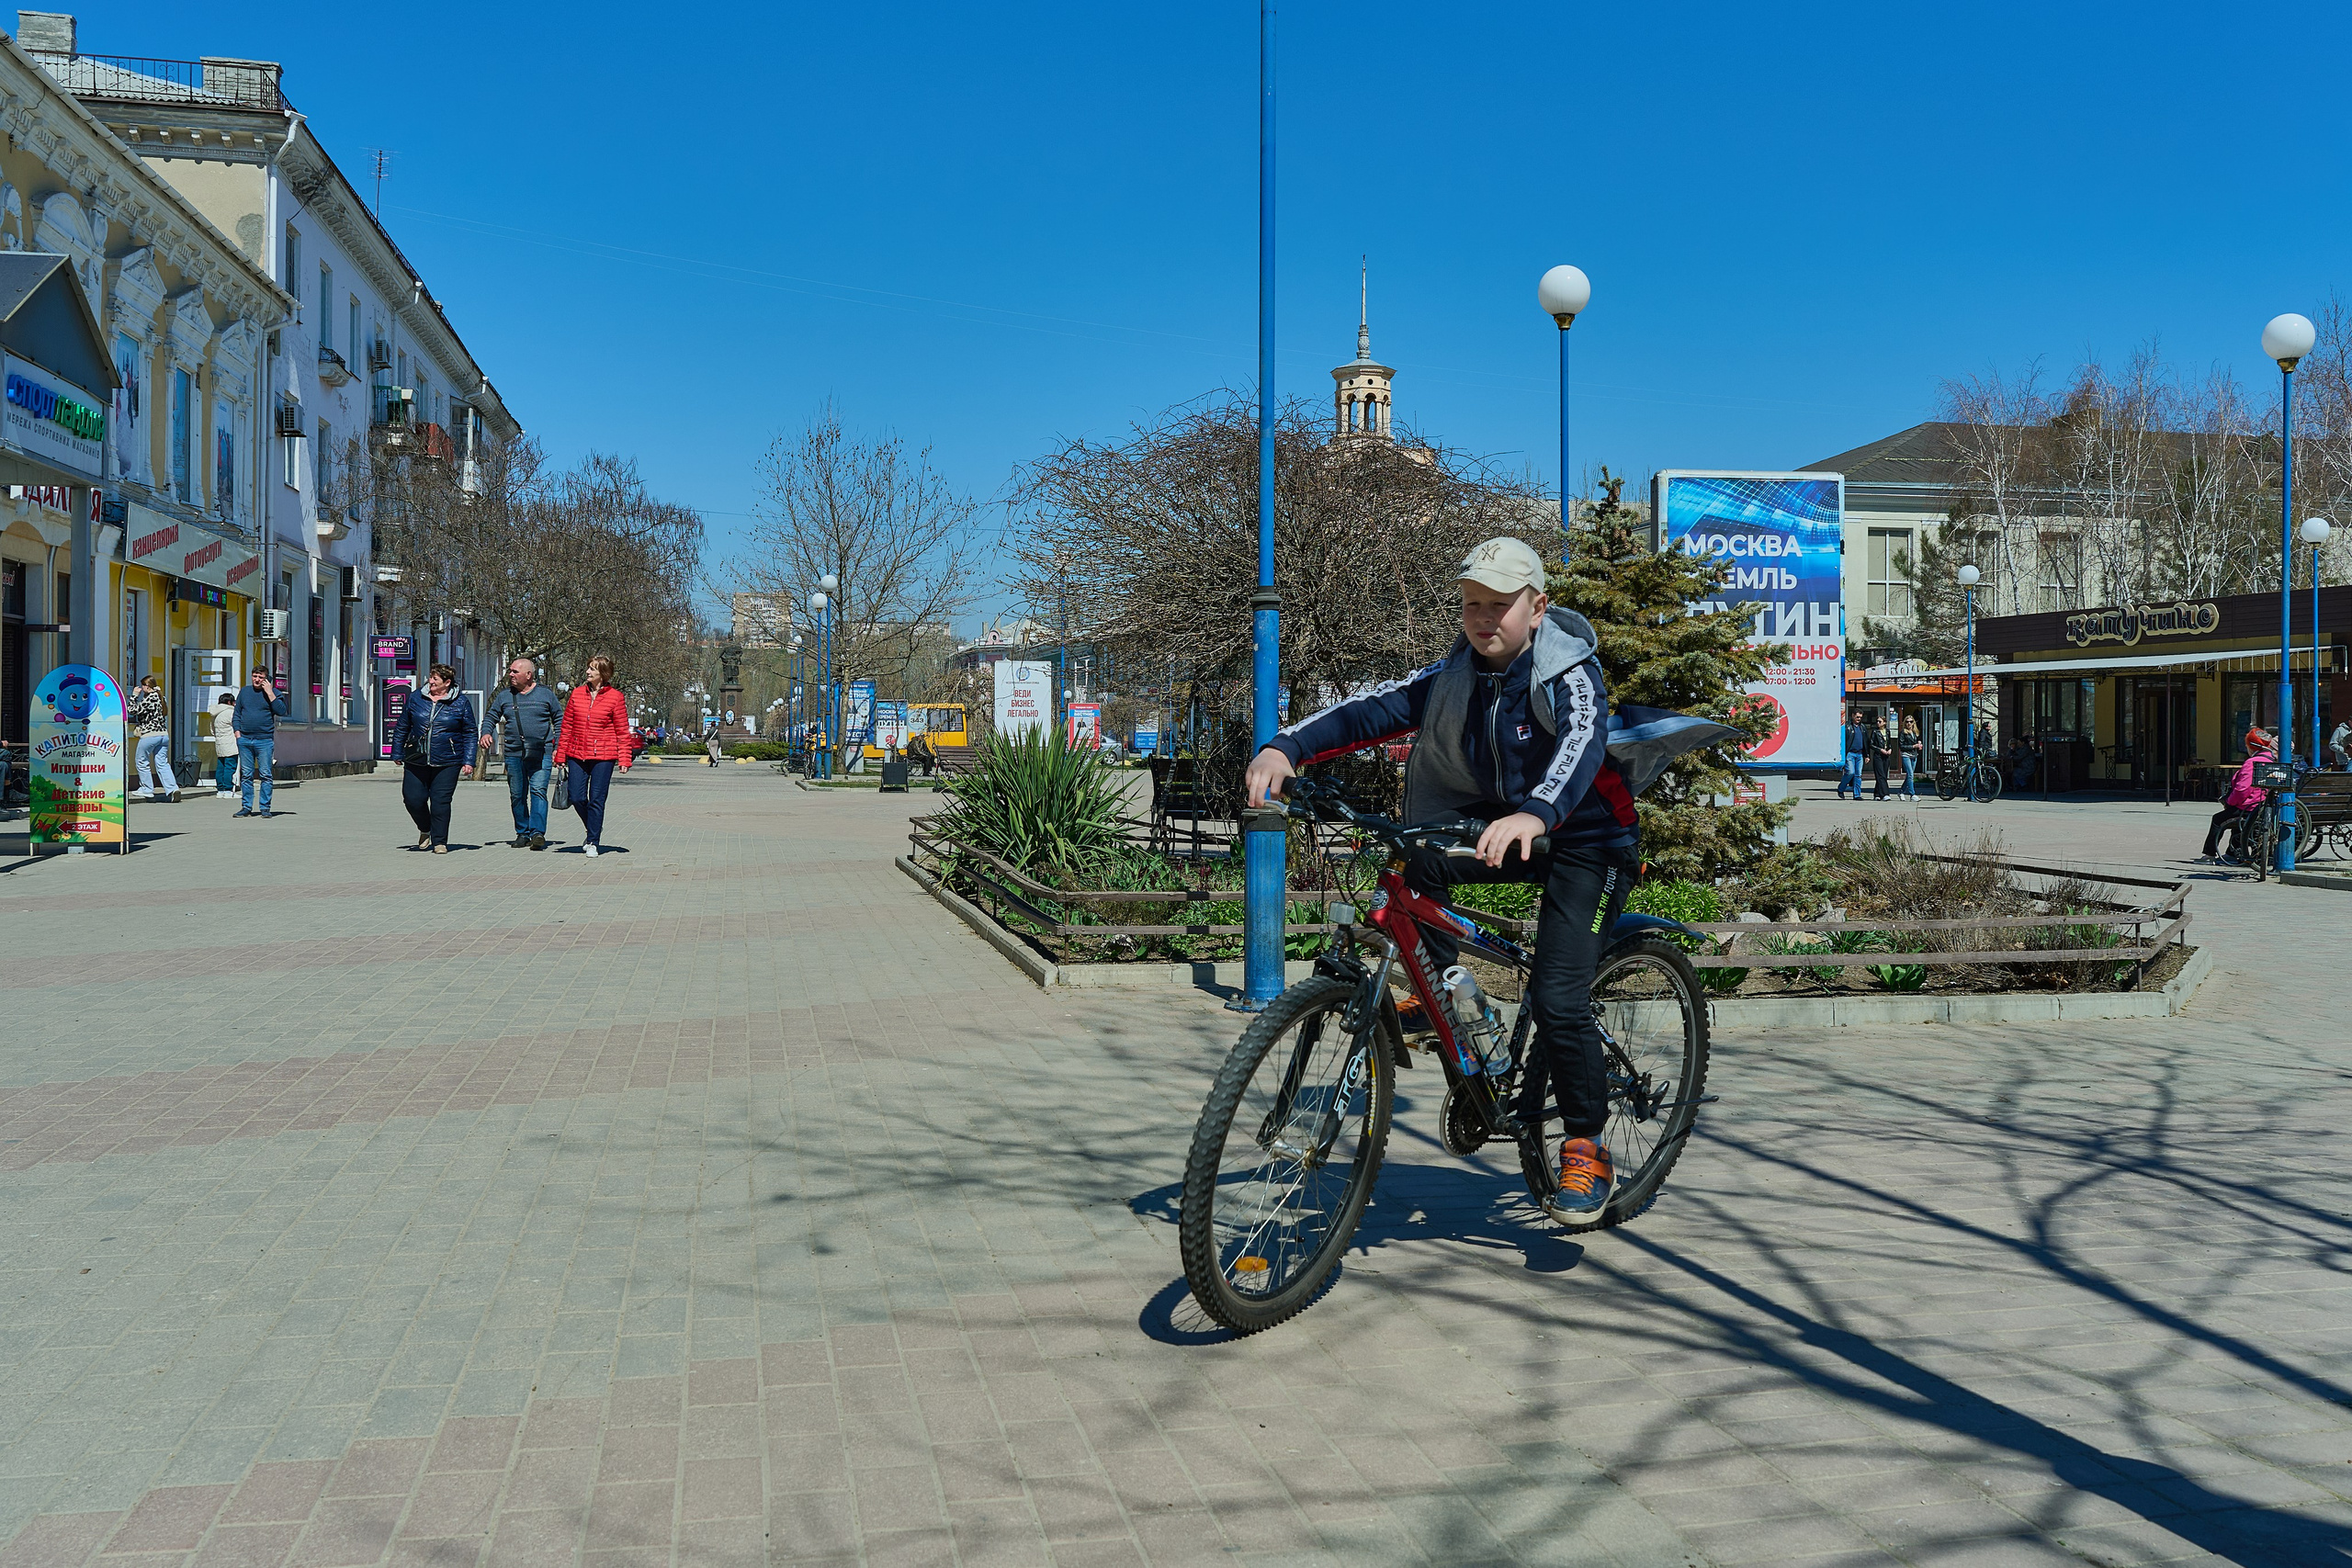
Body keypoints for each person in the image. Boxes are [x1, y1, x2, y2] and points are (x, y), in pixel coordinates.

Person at [1245, 536, 1657, 1224]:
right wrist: (1284, 746)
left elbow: (1583, 743)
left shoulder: (1568, 670)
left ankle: (1587, 1145)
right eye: (1472, 604)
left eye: (1500, 605)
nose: (1483, 618)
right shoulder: (1456, 674)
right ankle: (1452, 995)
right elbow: (1373, 708)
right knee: (1416, 863)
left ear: (1538, 606)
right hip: (1506, 830)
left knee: (1558, 997)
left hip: (1586, 838)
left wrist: (1537, 811)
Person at [390, 663, 478, 852]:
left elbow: (470, 732)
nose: (430, 681)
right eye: (431, 677)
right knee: (413, 799)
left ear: (447, 683)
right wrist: (397, 751)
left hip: (449, 760)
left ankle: (439, 841)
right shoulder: (416, 698)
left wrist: (469, 760)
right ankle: (425, 828)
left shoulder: (460, 702)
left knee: (441, 801)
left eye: (435, 679)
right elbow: (402, 726)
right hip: (416, 758)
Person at [479, 656, 563, 850]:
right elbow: (491, 716)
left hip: (542, 752)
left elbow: (559, 719)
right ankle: (522, 832)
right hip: (514, 753)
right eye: (510, 671)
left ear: (529, 674)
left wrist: (558, 746)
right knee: (517, 794)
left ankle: (537, 833)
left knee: (538, 791)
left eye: (515, 671)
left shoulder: (545, 695)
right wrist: (485, 733)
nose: (511, 675)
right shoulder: (505, 696)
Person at [553, 653, 633, 856]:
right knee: (576, 796)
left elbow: (622, 731)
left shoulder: (615, 697)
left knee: (597, 799)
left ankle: (593, 841)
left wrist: (624, 758)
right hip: (576, 753)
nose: (588, 672)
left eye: (592, 669)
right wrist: (560, 755)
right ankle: (593, 826)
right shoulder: (577, 694)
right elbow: (567, 726)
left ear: (603, 674)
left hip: (603, 756)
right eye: (588, 668)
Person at [2203, 729, 2278, 862]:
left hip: (2249, 807)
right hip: (2262, 806)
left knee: (2218, 819)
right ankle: (2232, 851)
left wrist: (2229, 802)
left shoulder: (2252, 763)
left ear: (2250, 746)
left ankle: (2209, 854)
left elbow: (2242, 789)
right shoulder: (2272, 761)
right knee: (2235, 818)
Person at [231, 668, 289, 818]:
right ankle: (246, 807)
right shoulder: (245, 692)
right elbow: (237, 713)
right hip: (245, 740)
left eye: (260, 677)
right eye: (254, 676)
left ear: (266, 678)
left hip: (264, 740)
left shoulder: (274, 693)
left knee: (265, 775)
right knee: (247, 775)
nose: (256, 679)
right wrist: (238, 733)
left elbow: (282, 711)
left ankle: (265, 808)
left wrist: (269, 692)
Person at [125, 674, 179, 803]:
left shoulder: (151, 698)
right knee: (162, 763)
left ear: (147, 686)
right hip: (163, 735)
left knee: (141, 761)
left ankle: (147, 789)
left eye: (142, 685)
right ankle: (172, 788)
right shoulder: (161, 697)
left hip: (150, 735)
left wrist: (133, 696)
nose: (141, 688)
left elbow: (132, 710)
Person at [210, 692, 239, 795]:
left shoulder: (215, 714)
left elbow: (212, 730)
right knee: (230, 767)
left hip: (220, 743)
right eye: (233, 701)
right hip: (230, 743)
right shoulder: (230, 713)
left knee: (221, 767)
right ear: (229, 702)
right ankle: (228, 790)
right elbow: (238, 726)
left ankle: (220, 790)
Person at [1838, 710, 1866, 800]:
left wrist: (1867, 755)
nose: (1859, 719)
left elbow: (1866, 742)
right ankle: (1841, 789)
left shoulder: (1863, 727)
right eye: (1857, 717)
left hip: (1860, 754)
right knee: (1850, 772)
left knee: (1858, 775)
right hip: (1850, 753)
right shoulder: (1847, 726)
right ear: (1853, 715)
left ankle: (1857, 795)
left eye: (1860, 717)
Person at [1866, 714, 1893, 801]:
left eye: (1880, 721)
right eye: (1877, 721)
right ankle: (1885, 794)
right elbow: (1871, 744)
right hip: (1878, 756)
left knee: (1883, 775)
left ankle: (1877, 794)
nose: (1878, 723)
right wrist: (1880, 750)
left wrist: (1890, 749)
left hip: (1886, 756)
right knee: (1880, 775)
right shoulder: (1875, 732)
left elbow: (1889, 743)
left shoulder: (1887, 731)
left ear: (1884, 722)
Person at [1897, 717, 1924, 799]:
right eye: (1907, 722)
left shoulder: (1915, 732)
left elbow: (1918, 740)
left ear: (1913, 723)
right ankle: (1912, 794)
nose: (1909, 723)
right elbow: (1901, 746)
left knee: (1909, 775)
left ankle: (1901, 791)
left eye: (1911, 722)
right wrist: (1913, 746)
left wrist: (1919, 744)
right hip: (1906, 755)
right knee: (1910, 775)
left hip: (1914, 755)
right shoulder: (1903, 733)